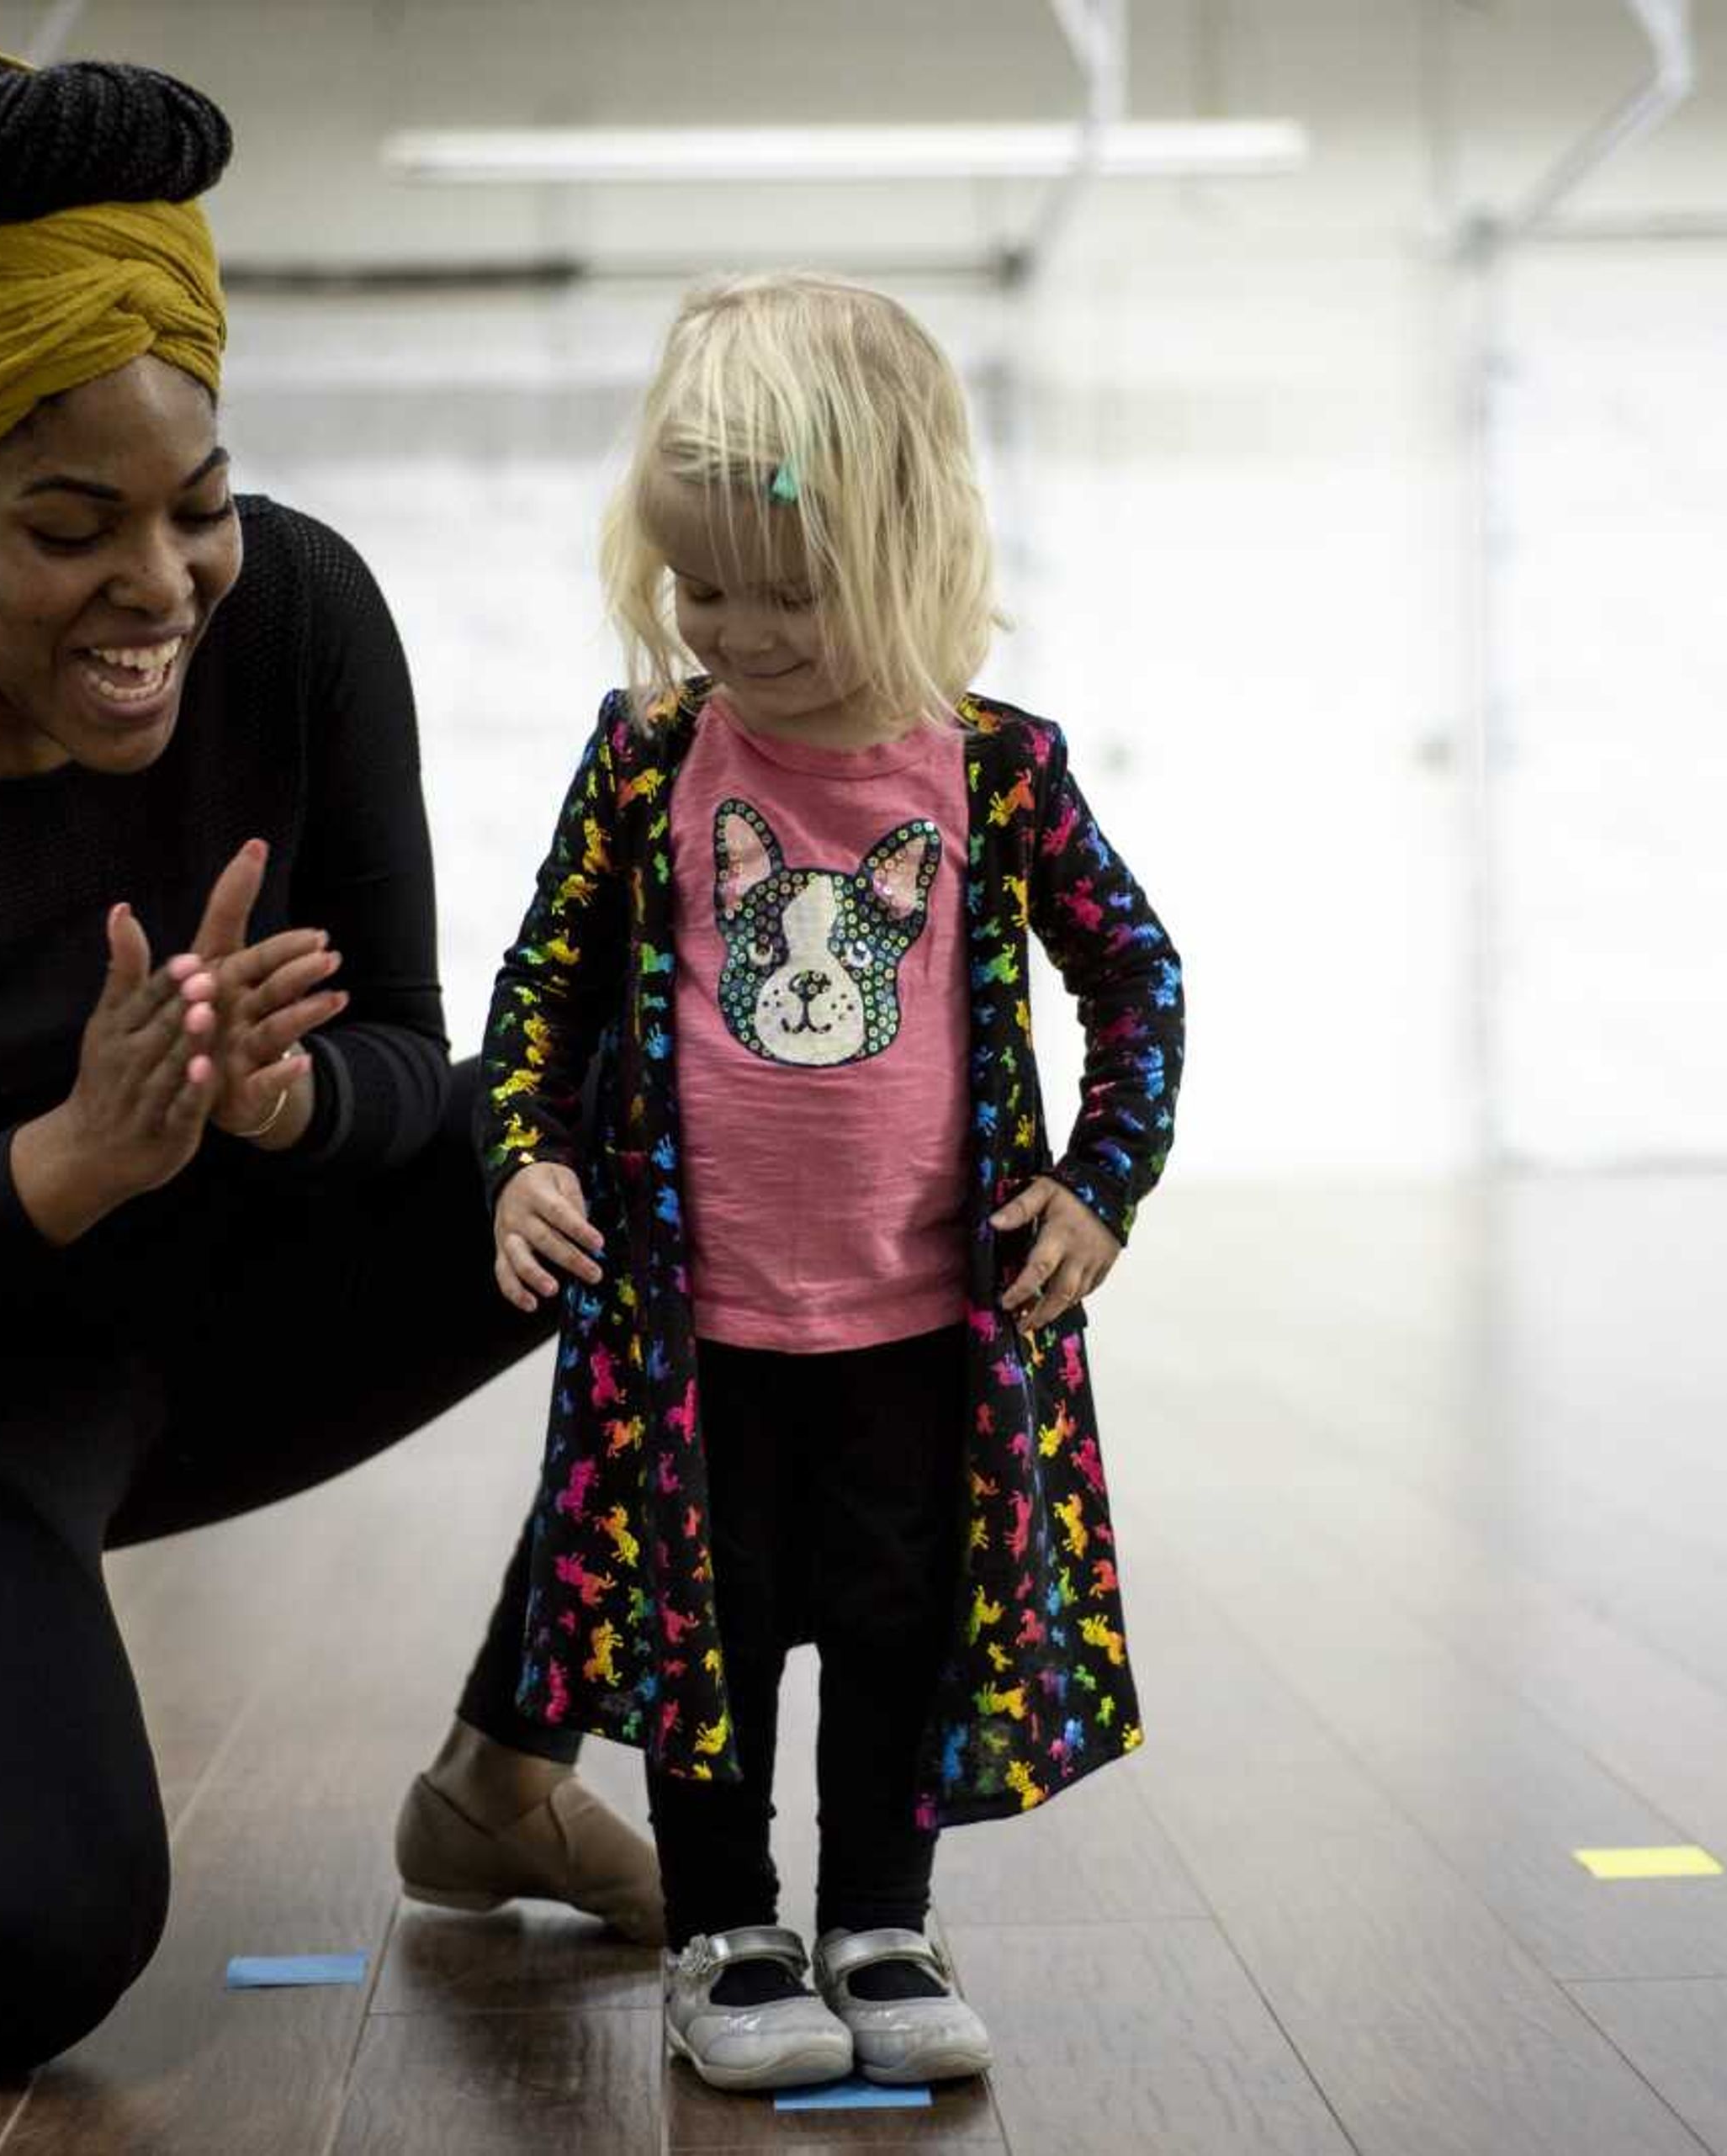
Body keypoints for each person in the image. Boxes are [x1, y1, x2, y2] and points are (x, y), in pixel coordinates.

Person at [0, 44, 656, 2084]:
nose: (159, 588)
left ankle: (504, 1769)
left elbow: (431, 1064)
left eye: (200, 508)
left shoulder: (307, 614)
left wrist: (285, 1105)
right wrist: (60, 1164)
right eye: (72, 528)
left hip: (209, 1311)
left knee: (666, 1116)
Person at [474, 273, 1189, 2093]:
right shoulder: (653, 762)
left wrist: (1101, 1185)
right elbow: (539, 987)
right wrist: (521, 1160)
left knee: (892, 1627)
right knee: (704, 1639)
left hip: (920, 1327)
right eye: (701, 588)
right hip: (690, 1330)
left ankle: (880, 1910)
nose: (738, 628)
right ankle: (726, 1930)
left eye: (783, 590)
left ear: (911, 545)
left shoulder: (996, 774)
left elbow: (1140, 975)